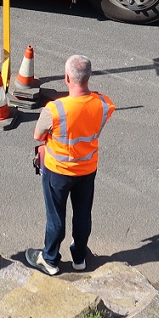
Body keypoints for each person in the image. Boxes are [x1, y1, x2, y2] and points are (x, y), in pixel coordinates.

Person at [24, 55, 115, 275]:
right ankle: (80, 257)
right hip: (87, 170)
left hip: (58, 172)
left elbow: (38, 136)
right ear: (89, 77)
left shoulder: (55, 109)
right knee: (83, 214)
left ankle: (50, 260)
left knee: (55, 216)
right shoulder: (104, 104)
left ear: (67, 78)